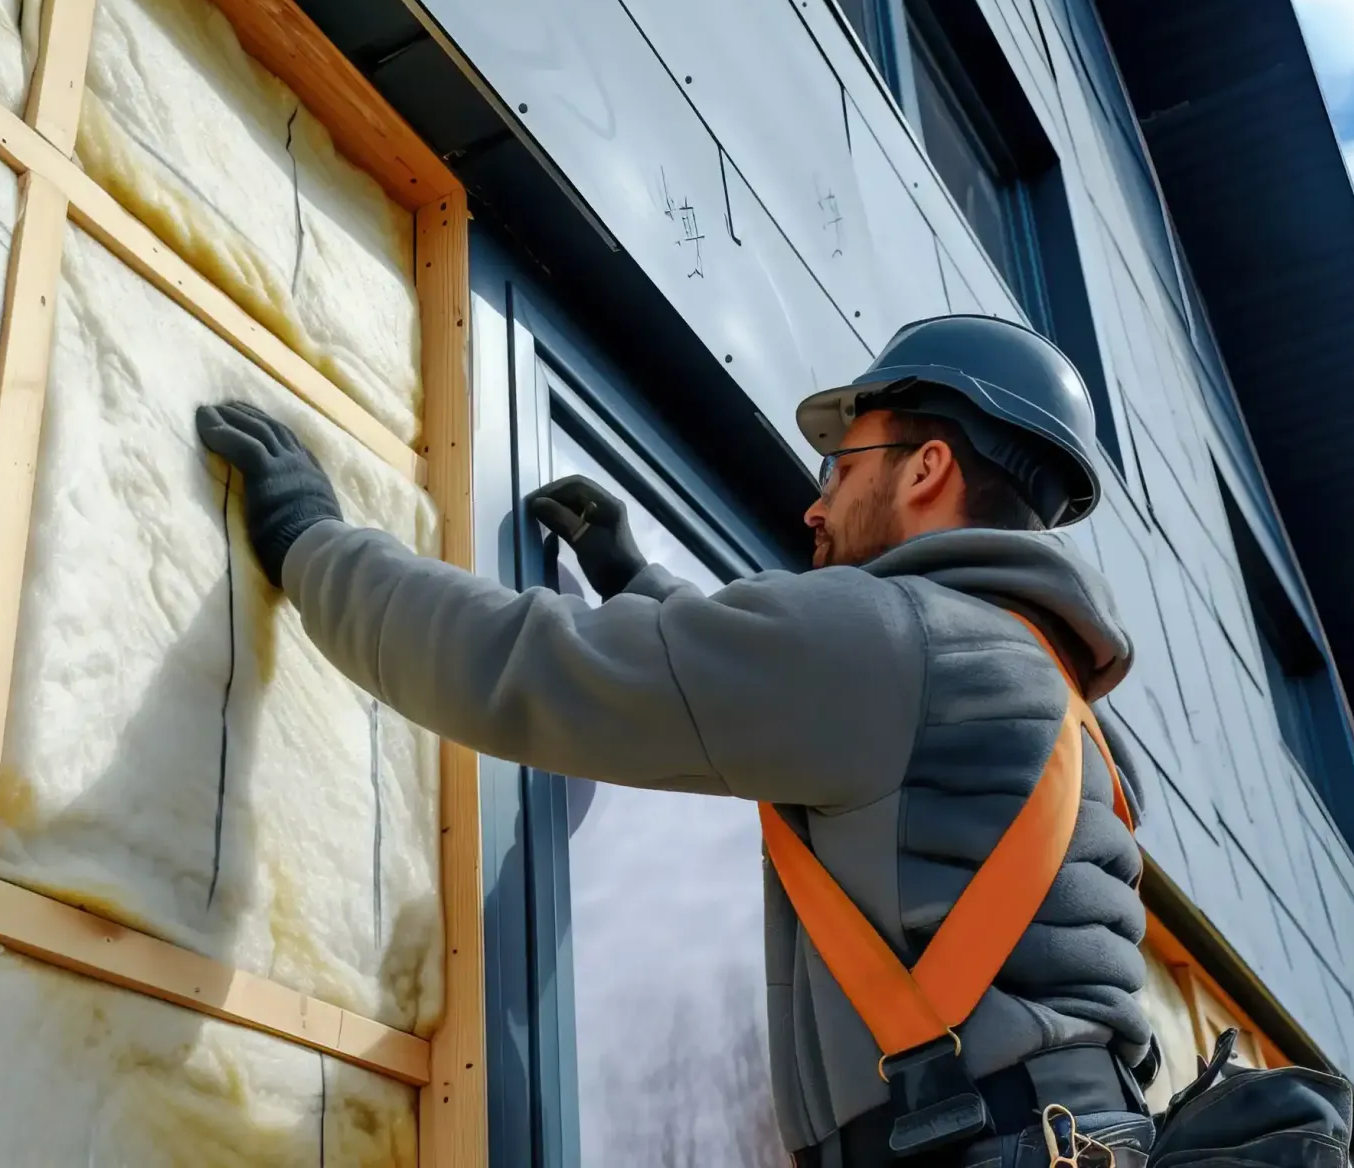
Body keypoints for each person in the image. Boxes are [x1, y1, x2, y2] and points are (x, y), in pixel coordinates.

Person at [197, 314, 1156, 1167]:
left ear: (926, 467)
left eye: (841, 467)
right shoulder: (1072, 719)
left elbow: (516, 664)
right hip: (1079, 1139)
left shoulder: (896, 635)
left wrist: (307, 537)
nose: (814, 507)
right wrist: (641, 589)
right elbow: (812, 723)